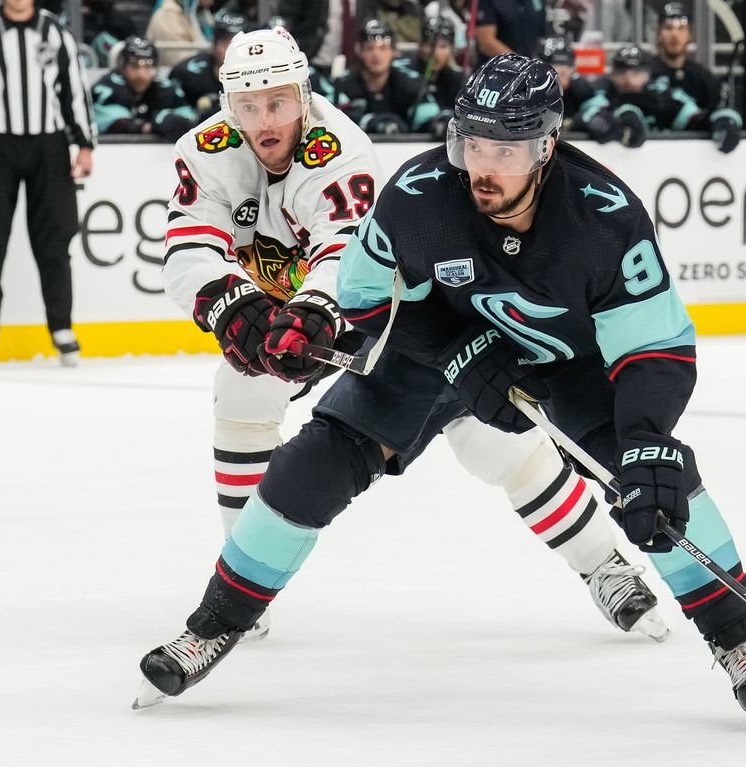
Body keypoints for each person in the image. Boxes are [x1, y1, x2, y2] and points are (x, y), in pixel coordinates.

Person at [137, 32, 675, 706]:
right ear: (227, 106)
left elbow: (347, 256)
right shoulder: (205, 149)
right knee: (241, 391)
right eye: (248, 105)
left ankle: (603, 564)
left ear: (304, 95)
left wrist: (313, 311)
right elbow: (189, 247)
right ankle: (244, 576)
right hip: (281, 317)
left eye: (278, 102)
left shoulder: (341, 147)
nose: (264, 121)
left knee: (493, 442)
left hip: (386, 319)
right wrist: (229, 304)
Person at [0, 0, 96, 365]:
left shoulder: (55, 32)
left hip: (49, 146)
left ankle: (61, 327)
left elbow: (74, 90)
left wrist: (85, 144)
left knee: (55, 238)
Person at [599, 46, 741, 154]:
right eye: (621, 72)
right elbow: (591, 116)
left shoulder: (662, 96)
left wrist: (723, 119)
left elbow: (694, 119)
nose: (628, 79)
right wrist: (620, 119)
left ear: (647, 74)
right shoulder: (602, 95)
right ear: (612, 74)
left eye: (636, 72)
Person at [335, 18, 440, 133]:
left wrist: (440, 123)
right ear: (360, 51)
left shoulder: (409, 82)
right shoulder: (343, 83)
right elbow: (335, 117)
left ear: (394, 51)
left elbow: (429, 118)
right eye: (369, 48)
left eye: (383, 48)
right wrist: (372, 122)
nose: (376, 55)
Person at [540, 36, 645, 148]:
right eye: (552, 71)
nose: (557, 78)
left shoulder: (580, 90)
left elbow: (599, 110)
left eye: (563, 72)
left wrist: (591, 118)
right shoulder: (531, 92)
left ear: (573, 69)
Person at [92, 36, 198, 139]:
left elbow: (188, 122)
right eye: (134, 66)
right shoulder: (108, 88)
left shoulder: (166, 90)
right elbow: (113, 124)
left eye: (148, 66)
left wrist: (165, 119)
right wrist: (146, 126)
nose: (141, 74)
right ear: (123, 66)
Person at [170, 10, 250, 115]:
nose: (233, 50)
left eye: (239, 44)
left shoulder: (260, 74)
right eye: (226, 43)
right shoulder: (187, 73)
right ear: (214, 44)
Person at [648, 3, 722, 115]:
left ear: (690, 35)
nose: (674, 34)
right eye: (668, 28)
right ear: (659, 34)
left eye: (681, 28)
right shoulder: (646, 75)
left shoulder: (702, 78)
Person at [394, 16, 463, 113]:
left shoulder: (455, 79)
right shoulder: (403, 72)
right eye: (430, 45)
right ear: (420, 45)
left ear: (452, 48)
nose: (436, 53)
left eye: (443, 46)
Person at [145, 0, 212, 67]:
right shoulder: (167, 15)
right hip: (171, 69)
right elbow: (175, 57)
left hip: (187, 64)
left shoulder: (188, 12)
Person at [474, 0, 545, 59]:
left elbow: (542, 35)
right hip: (496, 67)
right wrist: (519, 62)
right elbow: (486, 43)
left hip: (529, 62)